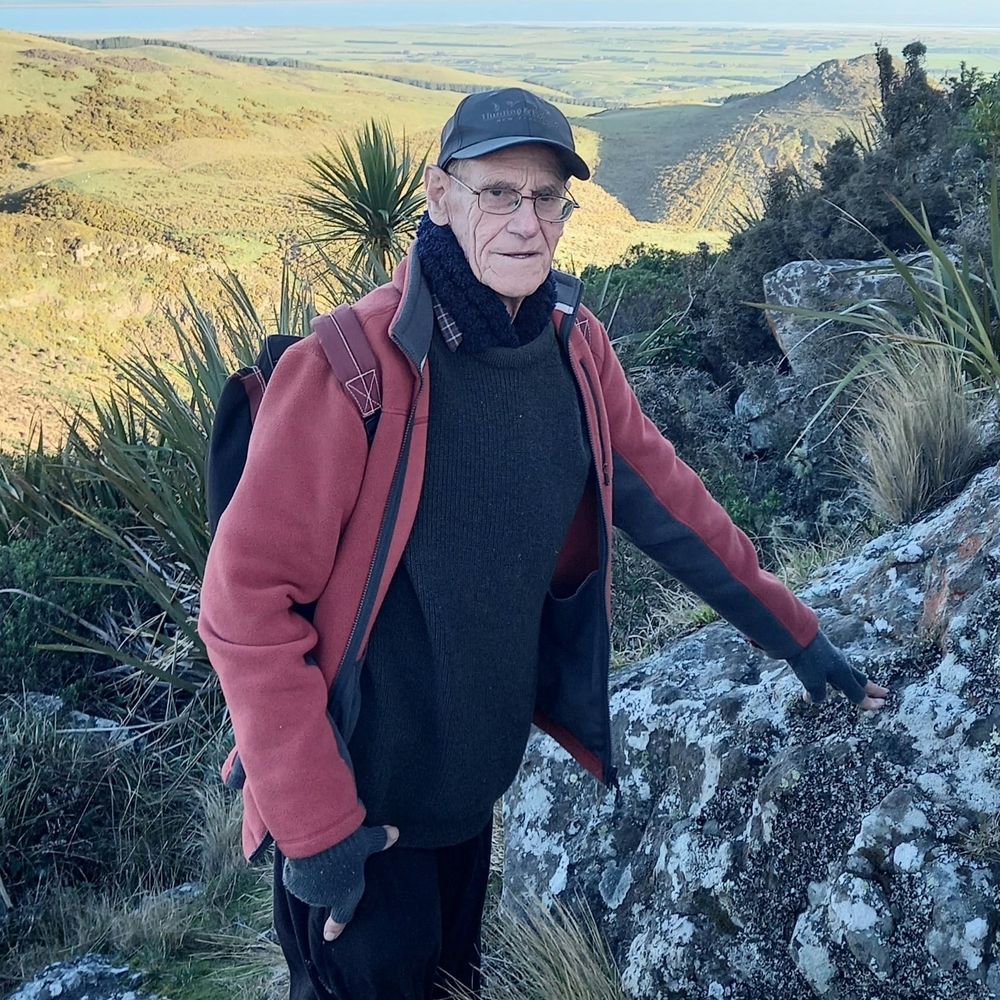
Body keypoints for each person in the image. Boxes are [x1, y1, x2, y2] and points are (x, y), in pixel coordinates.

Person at [197, 87, 888, 1000]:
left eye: (547, 198)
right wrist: (320, 835)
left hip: (467, 800)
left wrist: (796, 635)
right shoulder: (348, 369)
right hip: (357, 819)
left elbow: (672, 506)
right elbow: (244, 604)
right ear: (440, 195)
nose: (526, 223)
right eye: (497, 193)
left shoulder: (573, 349)